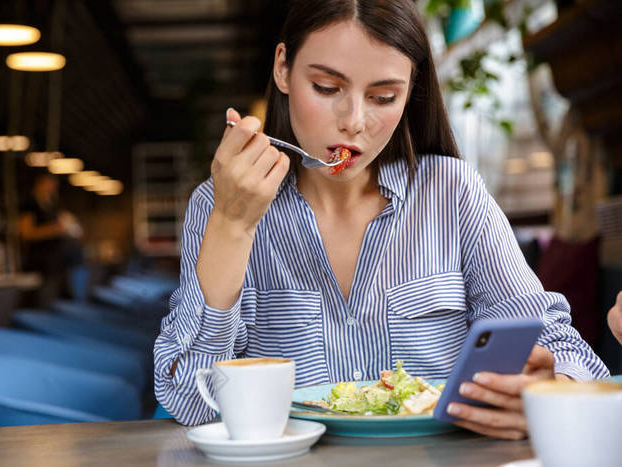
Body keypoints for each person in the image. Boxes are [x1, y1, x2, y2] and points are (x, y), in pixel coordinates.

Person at [153, 0, 609, 439]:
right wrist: (233, 225)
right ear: (283, 68)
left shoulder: (451, 194)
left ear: (410, 93)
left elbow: (565, 350)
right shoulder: (219, 203)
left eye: (384, 96)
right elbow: (191, 403)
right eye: (328, 88)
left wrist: (547, 394)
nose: (354, 121)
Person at [19, 173, 85, 306]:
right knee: (44, 300)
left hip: (57, 261)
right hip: (41, 261)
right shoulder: (30, 204)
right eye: (50, 184)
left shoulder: (52, 206)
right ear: (40, 183)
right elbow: (26, 233)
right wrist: (55, 229)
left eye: (55, 186)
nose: (52, 188)